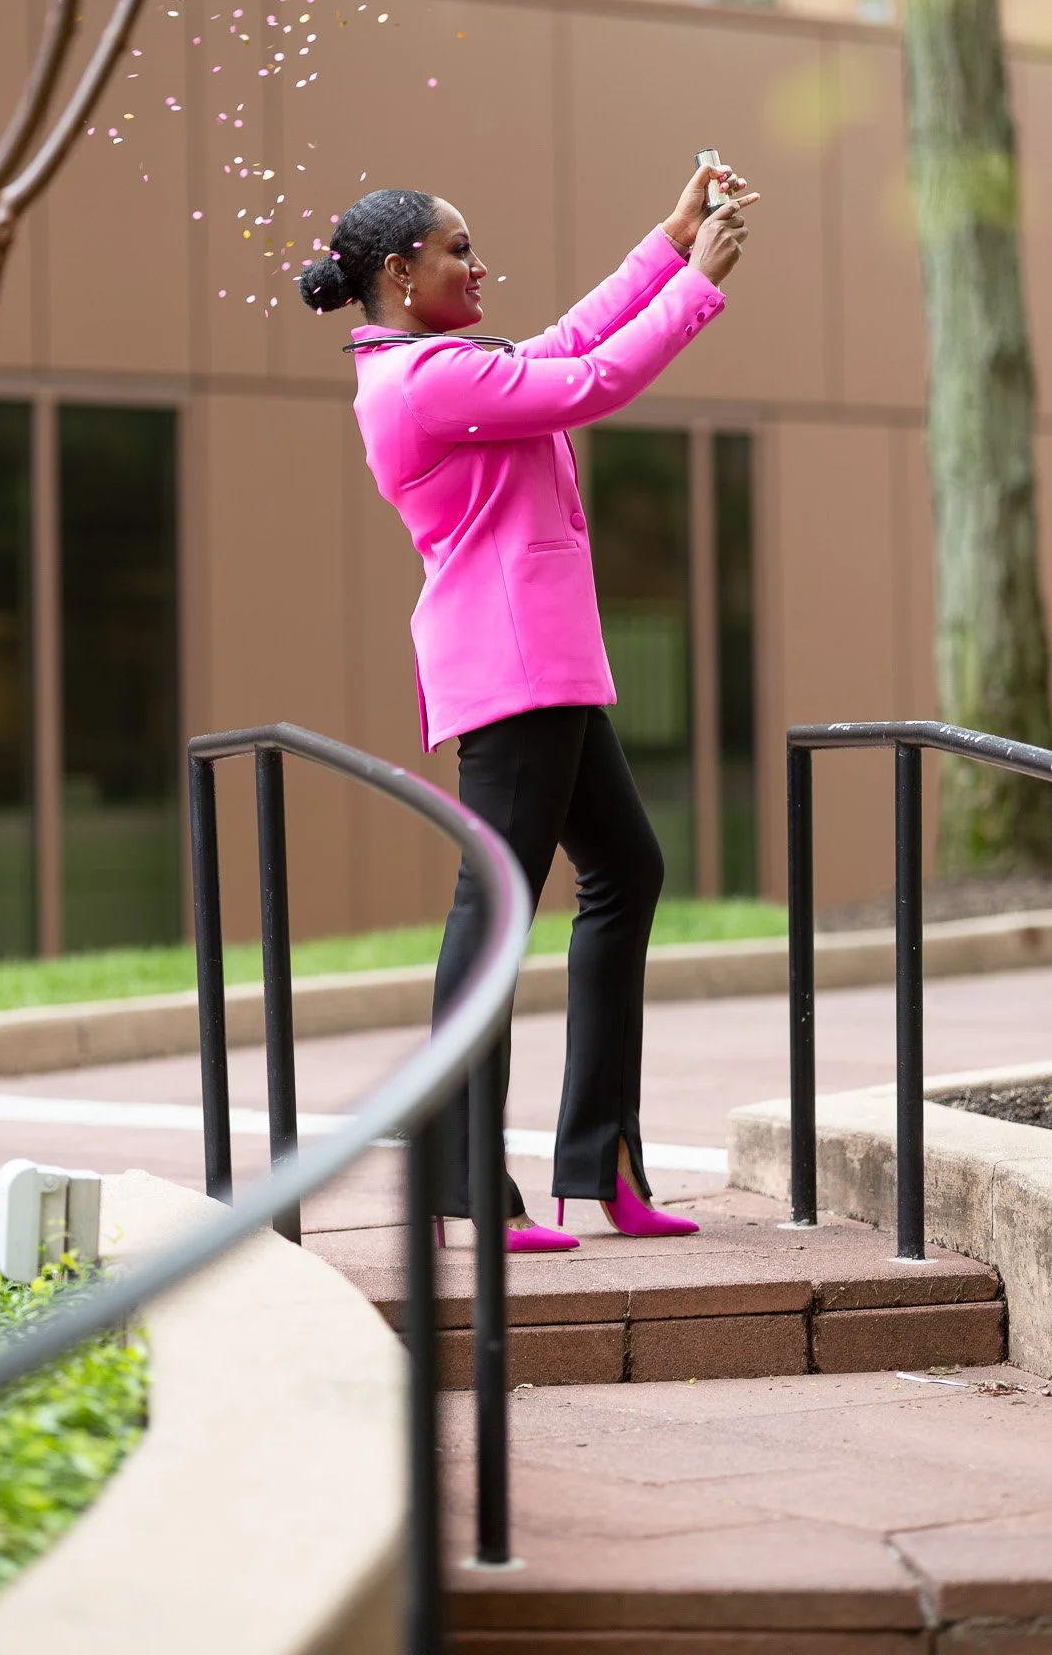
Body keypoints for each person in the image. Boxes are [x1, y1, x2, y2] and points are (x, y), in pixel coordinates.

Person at [298, 162, 759, 1251]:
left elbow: (558, 345)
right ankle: (469, 1183)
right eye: (459, 247)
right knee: (494, 909)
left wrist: (665, 237)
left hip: (541, 664)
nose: (478, 261)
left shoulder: (440, 362)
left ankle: (600, 1166)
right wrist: (695, 284)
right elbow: (590, 382)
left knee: (624, 870)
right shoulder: (418, 382)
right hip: (512, 668)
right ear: (402, 273)